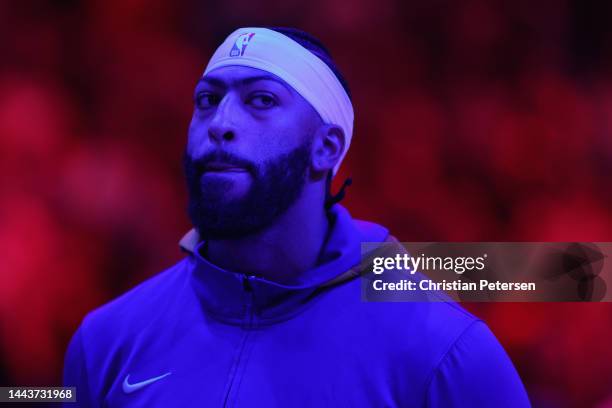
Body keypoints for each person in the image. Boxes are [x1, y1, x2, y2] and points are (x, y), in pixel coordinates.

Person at [63, 26, 531, 407]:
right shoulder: (106, 340)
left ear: (326, 148)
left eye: (260, 100)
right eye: (207, 99)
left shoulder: (442, 350)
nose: (220, 122)